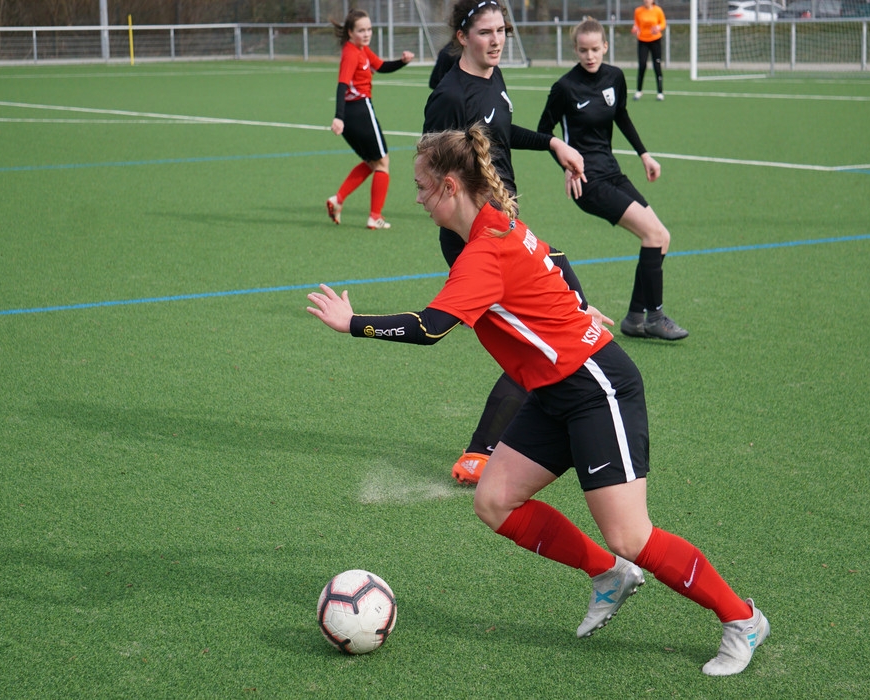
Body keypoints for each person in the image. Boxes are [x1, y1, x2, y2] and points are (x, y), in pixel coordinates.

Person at [306, 125, 770, 677]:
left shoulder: (483, 251)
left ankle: (742, 619)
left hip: (596, 387)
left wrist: (353, 323)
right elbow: (555, 255)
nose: (418, 198)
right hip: (553, 392)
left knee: (630, 535)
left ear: (450, 186)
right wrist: (575, 303)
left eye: (422, 187)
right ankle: (609, 574)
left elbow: (430, 328)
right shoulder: (492, 223)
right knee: (494, 502)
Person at [424, 0, 586, 485]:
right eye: (485, 32)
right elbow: (434, 167)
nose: (496, 41)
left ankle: (496, 444)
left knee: (546, 329)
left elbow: (498, 132)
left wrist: (553, 143)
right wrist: (474, 229)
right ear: (462, 37)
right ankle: (482, 452)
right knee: (535, 337)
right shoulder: (449, 95)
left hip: (504, 223)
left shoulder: (493, 77)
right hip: (479, 237)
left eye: (501, 31)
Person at [538, 17, 687, 340]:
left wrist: (644, 155)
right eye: (583, 50)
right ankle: (655, 316)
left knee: (661, 237)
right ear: (575, 50)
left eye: (595, 49)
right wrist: (567, 166)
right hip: (587, 181)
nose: (589, 56)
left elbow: (621, 116)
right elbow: (544, 132)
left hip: (612, 172)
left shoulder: (615, 77)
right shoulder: (564, 88)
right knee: (653, 235)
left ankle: (634, 317)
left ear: (605, 46)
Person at [327, 9, 414, 230]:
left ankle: (337, 200)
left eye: (369, 29)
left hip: (354, 113)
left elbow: (381, 66)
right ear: (350, 32)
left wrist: (402, 61)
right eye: (361, 30)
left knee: (372, 162)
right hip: (359, 111)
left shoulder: (362, 49)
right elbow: (341, 85)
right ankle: (375, 216)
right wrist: (338, 117)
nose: (366, 34)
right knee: (383, 162)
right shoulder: (351, 53)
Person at [631, 0, 666, 101]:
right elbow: (636, 24)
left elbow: (663, 23)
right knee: (642, 65)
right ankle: (639, 91)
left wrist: (658, 27)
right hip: (642, 41)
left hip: (655, 40)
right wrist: (635, 28)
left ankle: (660, 92)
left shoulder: (658, 10)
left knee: (657, 65)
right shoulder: (638, 11)